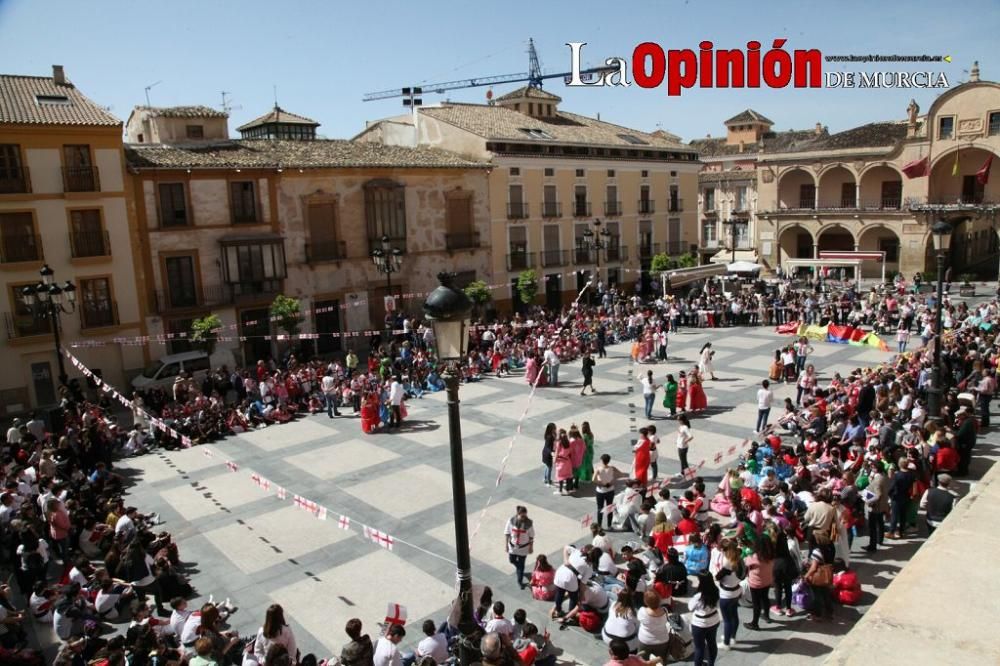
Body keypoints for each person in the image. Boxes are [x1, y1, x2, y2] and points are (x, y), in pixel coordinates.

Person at [689, 572, 721, 666]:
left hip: (699, 624)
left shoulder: (699, 596)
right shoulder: (716, 590)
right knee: (712, 644)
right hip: (714, 620)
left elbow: (690, 607)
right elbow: (718, 605)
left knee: (699, 648)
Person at [743, 536, 775, 630]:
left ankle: (754, 623)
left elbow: (746, 564)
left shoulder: (754, 557)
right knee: (765, 598)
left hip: (755, 584)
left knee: (756, 603)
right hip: (767, 581)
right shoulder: (771, 555)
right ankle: (767, 616)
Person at [505, 506, 534, 589]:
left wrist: (531, 547)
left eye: (525, 515)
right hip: (513, 547)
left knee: (521, 565)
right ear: (518, 514)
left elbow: (531, 536)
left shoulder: (529, 524)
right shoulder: (511, 521)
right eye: (522, 516)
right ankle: (519, 568)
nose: (524, 517)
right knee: (511, 560)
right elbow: (507, 533)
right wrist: (506, 545)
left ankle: (520, 581)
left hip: (523, 548)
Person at [636, 589, 671, 659]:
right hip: (662, 640)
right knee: (659, 662)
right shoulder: (665, 610)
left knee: (642, 661)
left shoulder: (642, 611)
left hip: (645, 640)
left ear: (646, 601)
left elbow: (638, 619)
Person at [593, 454, 624, 529]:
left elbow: (593, 479)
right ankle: (609, 525)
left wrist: (601, 483)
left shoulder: (598, 469)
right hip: (610, 490)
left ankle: (599, 526)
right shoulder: (612, 468)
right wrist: (612, 481)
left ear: (601, 460)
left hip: (600, 491)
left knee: (600, 508)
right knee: (609, 507)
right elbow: (621, 474)